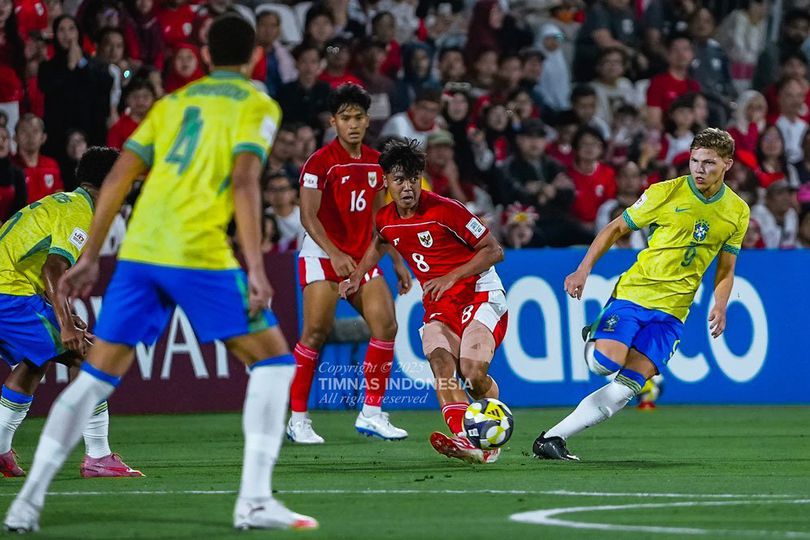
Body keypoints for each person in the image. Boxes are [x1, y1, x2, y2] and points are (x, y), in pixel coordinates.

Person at [4, 14, 318, 532]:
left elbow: (120, 173)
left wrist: (88, 257)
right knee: (275, 364)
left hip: (142, 250)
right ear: (256, 56)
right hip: (196, 251)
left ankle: (26, 504)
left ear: (207, 53)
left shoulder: (173, 103)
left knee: (93, 380)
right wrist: (256, 266)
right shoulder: (258, 102)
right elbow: (244, 179)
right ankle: (256, 500)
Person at [533, 128, 749, 461]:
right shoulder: (665, 193)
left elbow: (726, 268)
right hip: (635, 295)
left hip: (674, 313)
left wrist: (721, 306)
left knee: (627, 388)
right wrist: (583, 269)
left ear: (728, 164)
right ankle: (595, 332)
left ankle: (552, 439)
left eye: (708, 162)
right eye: (694, 161)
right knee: (604, 366)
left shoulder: (737, 210)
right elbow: (616, 228)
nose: (699, 169)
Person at [340, 138, 507, 464]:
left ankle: (492, 423)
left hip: (480, 292)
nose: (407, 187)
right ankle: (469, 440)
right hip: (439, 305)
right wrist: (357, 276)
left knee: (471, 374)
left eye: (413, 178)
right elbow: (380, 241)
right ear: (385, 181)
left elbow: (494, 250)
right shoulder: (385, 218)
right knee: (442, 367)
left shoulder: (447, 210)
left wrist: (452, 276)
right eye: (399, 179)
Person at [0, 147, 142, 479]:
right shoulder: (82, 212)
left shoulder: (65, 202)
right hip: (9, 293)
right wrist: (64, 324)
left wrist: (61, 312)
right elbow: (54, 268)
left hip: (12, 289)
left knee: (35, 362)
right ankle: (98, 456)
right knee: (89, 358)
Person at [290, 83, 410, 444]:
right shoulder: (320, 162)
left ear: (367, 120)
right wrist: (335, 253)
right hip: (322, 256)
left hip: (361, 259)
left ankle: (371, 413)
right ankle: (298, 420)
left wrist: (398, 260)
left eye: (358, 117)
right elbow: (308, 217)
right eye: (346, 118)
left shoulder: (377, 163)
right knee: (315, 333)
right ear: (333, 122)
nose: (353, 124)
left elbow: (380, 219)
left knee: (386, 326)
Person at [12, 114, 62, 204]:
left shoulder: (52, 165)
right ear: (15, 138)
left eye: (35, 131)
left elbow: (59, 197)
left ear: (43, 137)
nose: (30, 136)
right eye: (24, 131)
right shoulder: (10, 166)